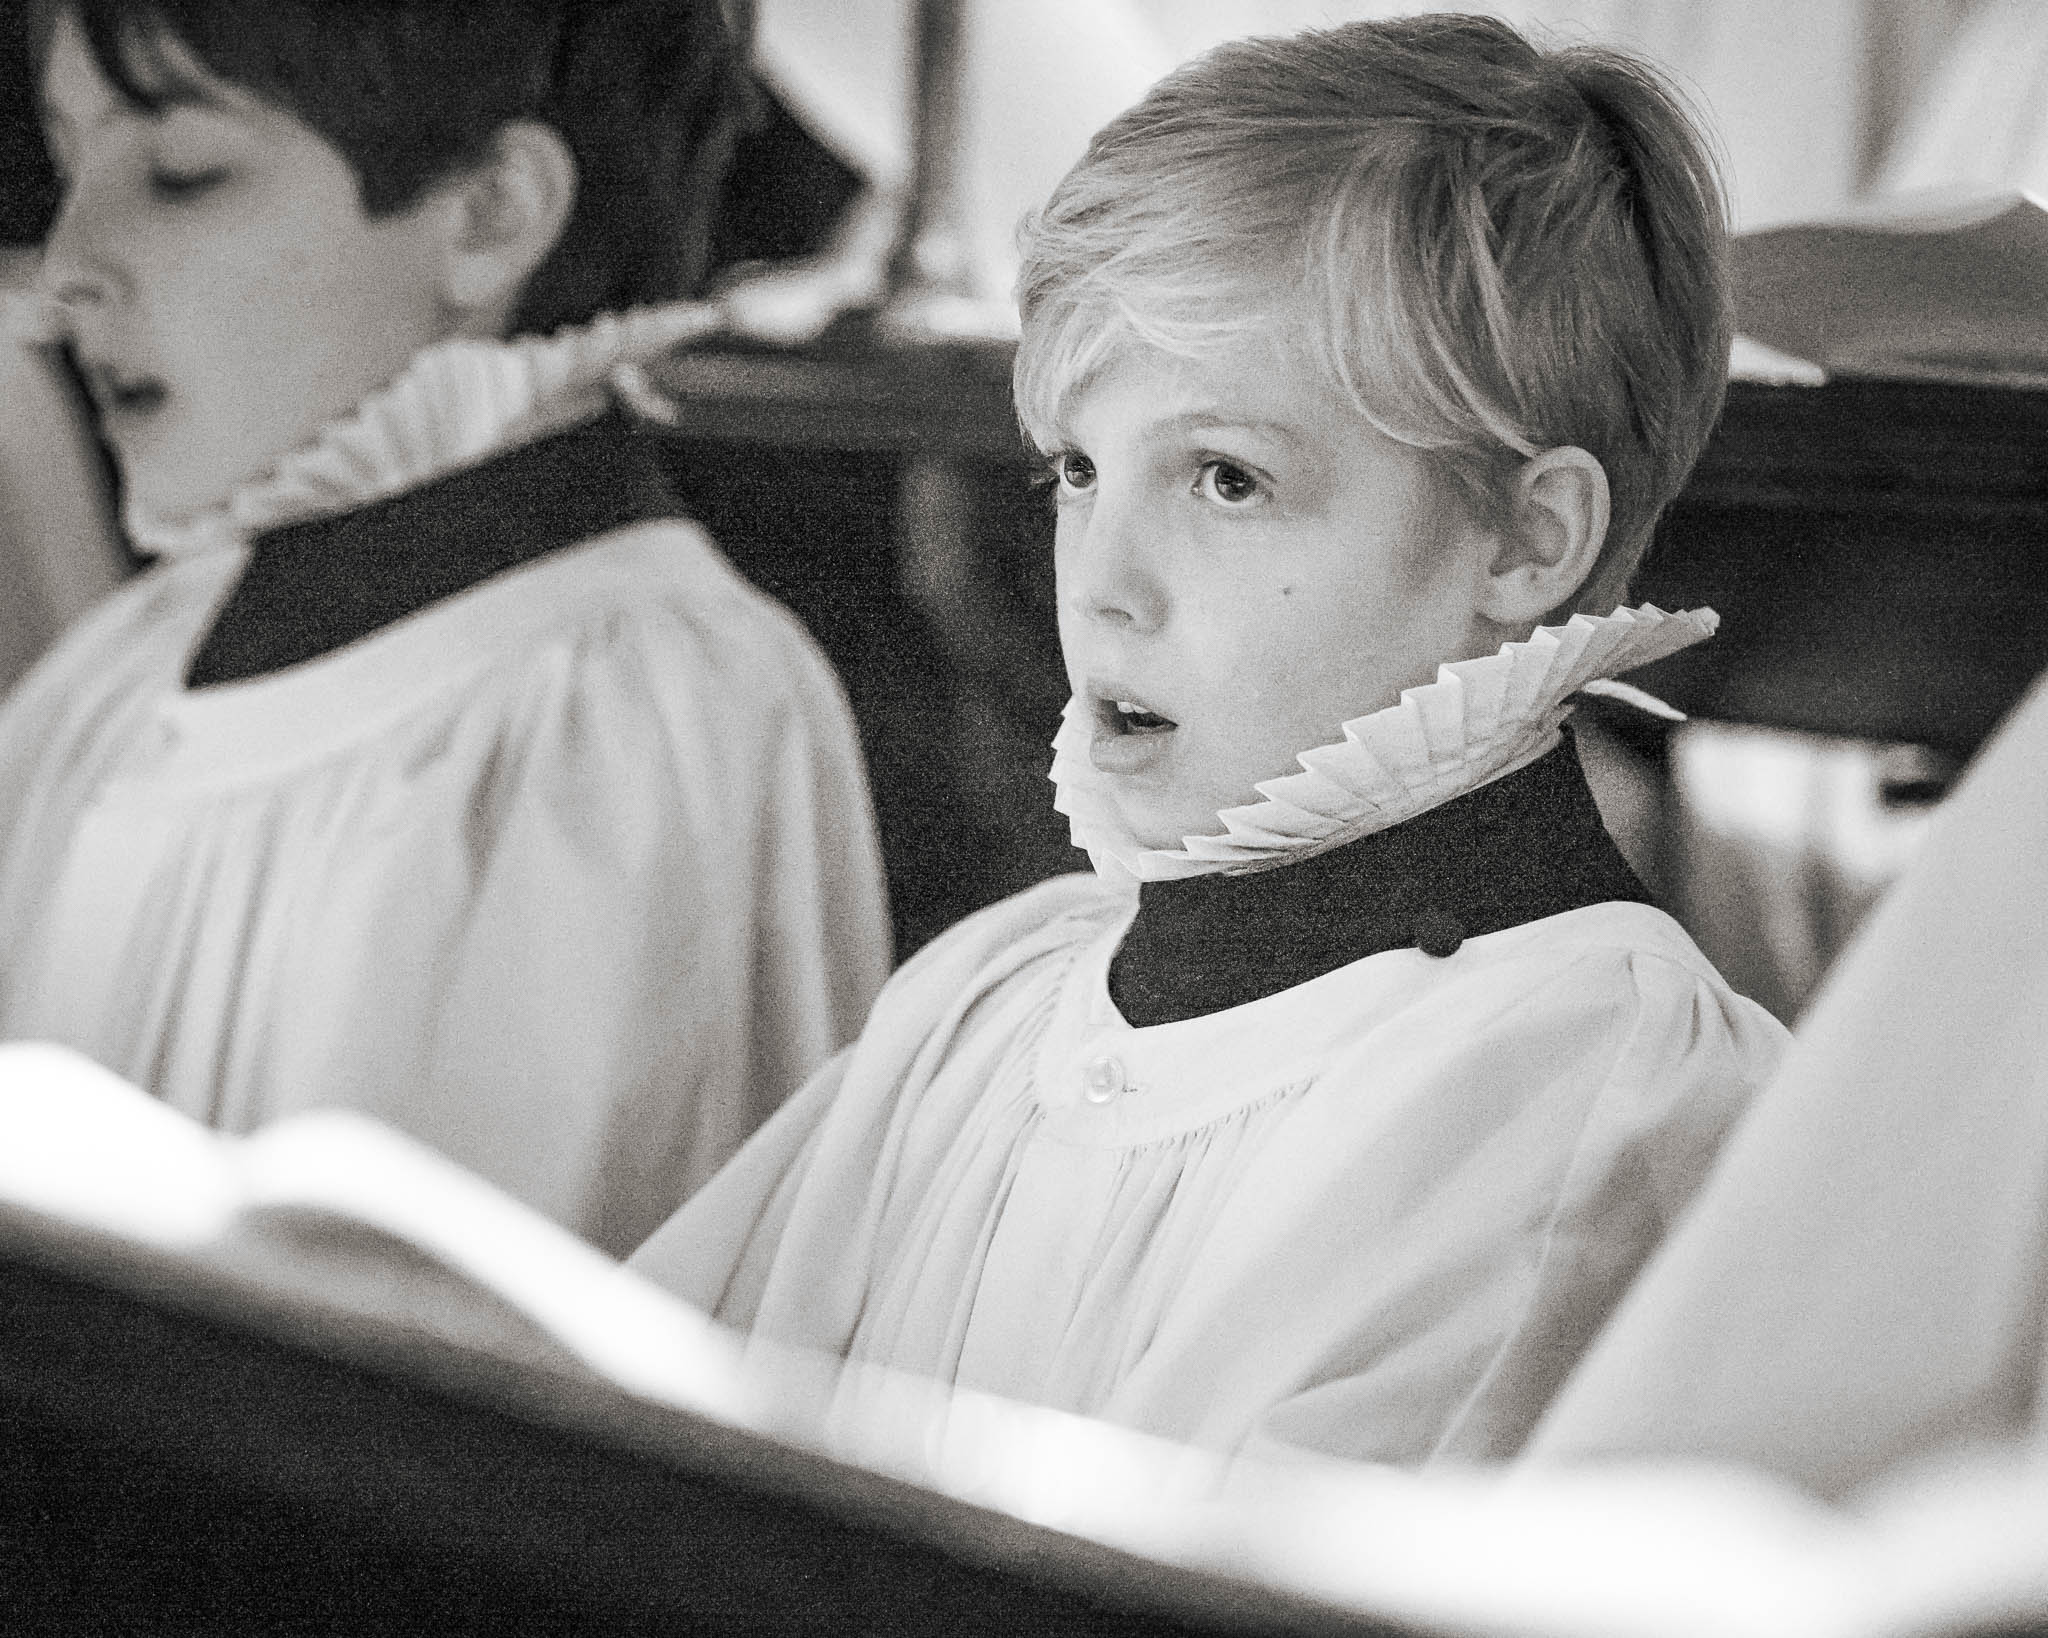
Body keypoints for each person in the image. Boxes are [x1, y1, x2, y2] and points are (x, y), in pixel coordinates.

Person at [630, 14, 1788, 1461]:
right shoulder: (994, 995)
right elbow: (621, 1457)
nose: (1102, 581)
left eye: (1227, 479)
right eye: (1078, 468)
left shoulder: (1586, 1081)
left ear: (1528, 539)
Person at [0, 0, 890, 1258]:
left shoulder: (638, 715)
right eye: (68, 160)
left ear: (487, 215)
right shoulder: (125, 667)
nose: (67, 261)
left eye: (179, 173)